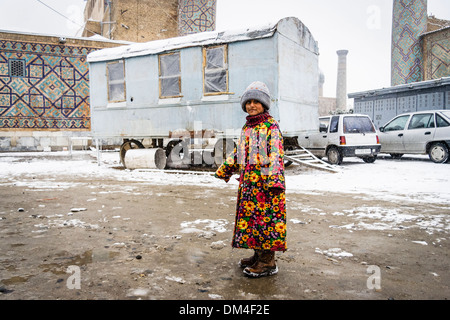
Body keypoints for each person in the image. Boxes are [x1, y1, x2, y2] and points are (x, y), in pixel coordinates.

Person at [215, 81, 287, 278]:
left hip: (265, 187)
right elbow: (240, 153)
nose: (251, 105)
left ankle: (267, 262)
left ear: (264, 105)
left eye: (256, 102)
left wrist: (273, 184)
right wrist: (225, 169)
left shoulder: (270, 126)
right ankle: (258, 256)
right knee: (253, 223)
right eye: (248, 102)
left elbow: (276, 156)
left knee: (265, 224)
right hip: (249, 186)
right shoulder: (248, 126)